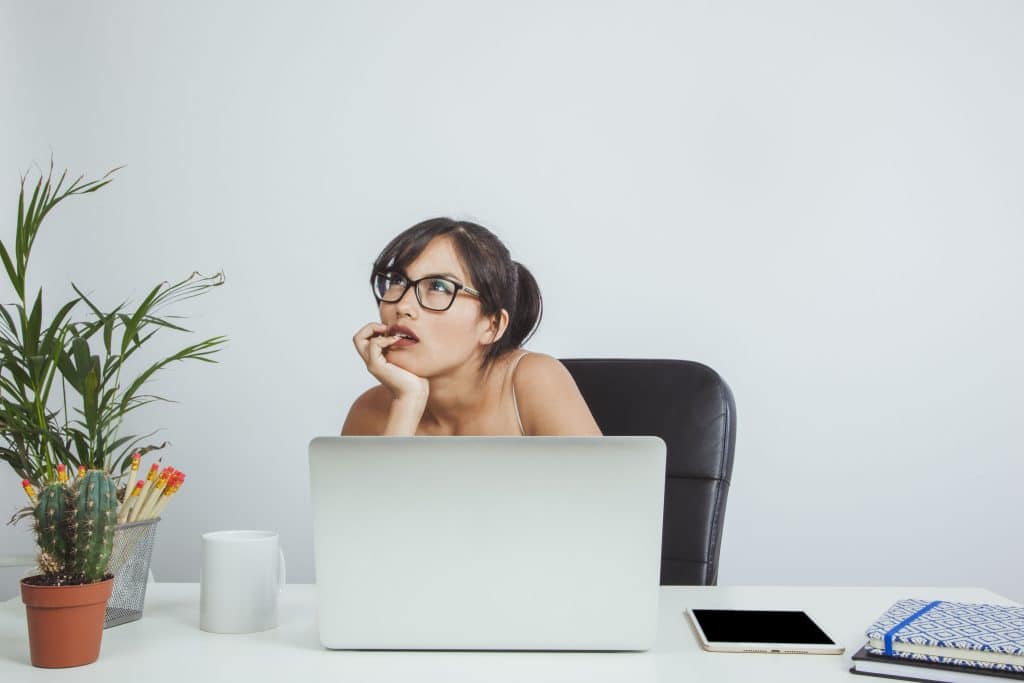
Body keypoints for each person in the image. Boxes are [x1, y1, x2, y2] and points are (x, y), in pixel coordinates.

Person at [341, 217, 602, 436]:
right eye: (397, 280)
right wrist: (407, 403)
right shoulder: (368, 413)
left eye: (439, 287)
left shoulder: (533, 381)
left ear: (492, 325)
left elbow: (602, 495)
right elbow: (376, 500)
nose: (403, 305)